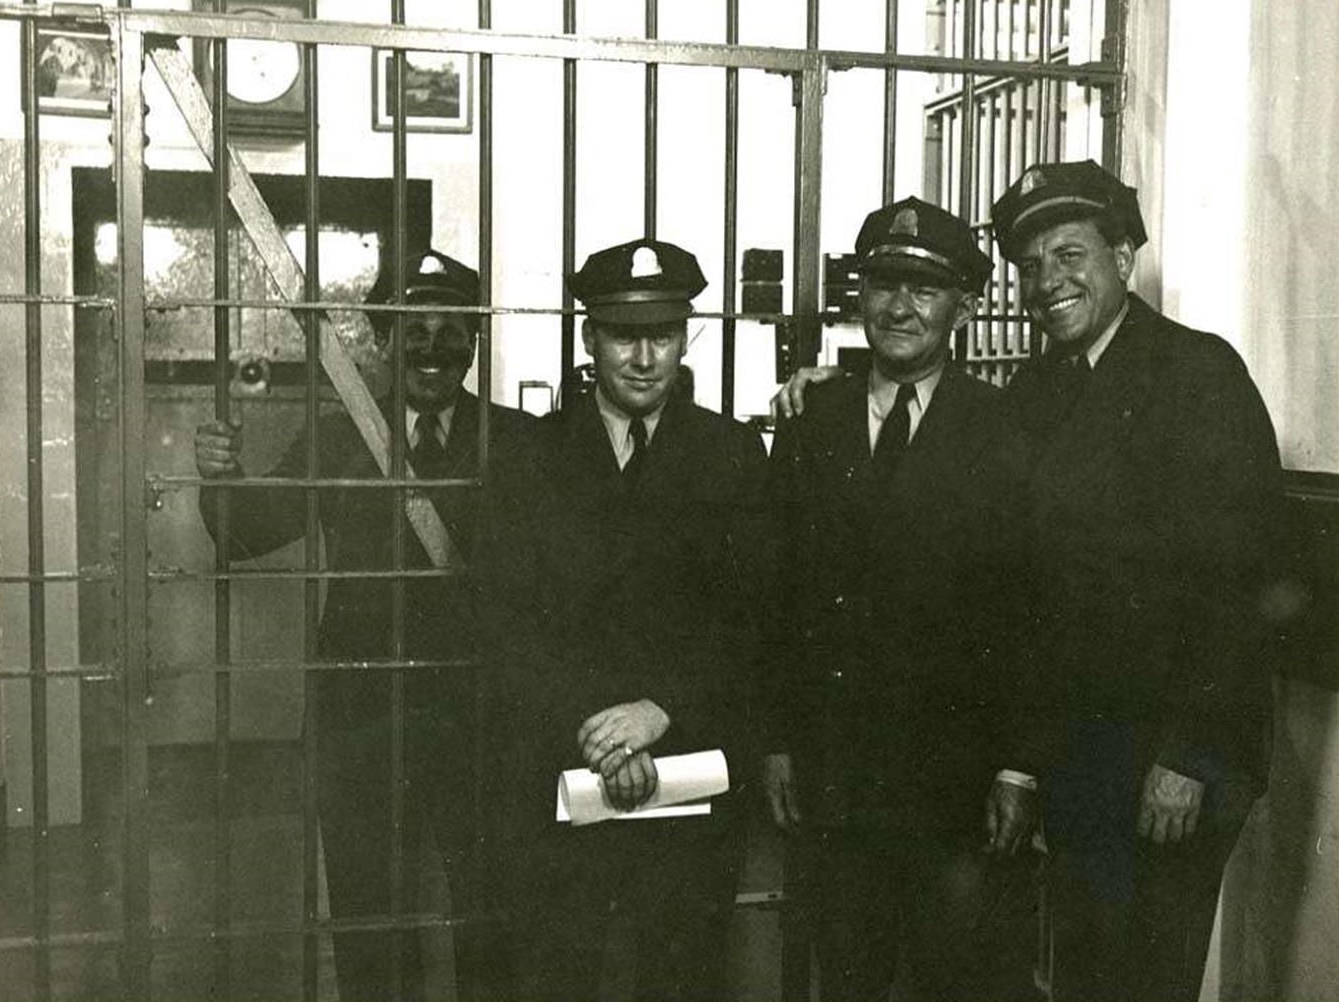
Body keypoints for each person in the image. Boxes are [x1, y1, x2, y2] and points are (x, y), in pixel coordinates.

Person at [774, 162, 1283, 1002]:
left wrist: (1189, 756)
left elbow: (1243, 582)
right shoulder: (1038, 391)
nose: (1049, 282)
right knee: (1085, 976)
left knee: (1146, 978)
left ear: (1124, 258)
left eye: (1070, 256)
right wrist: (832, 382)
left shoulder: (1197, 373)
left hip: (1170, 761)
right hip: (1081, 762)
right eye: (1031, 266)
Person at [194, 249, 533, 1002]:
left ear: (475, 342)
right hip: (360, 717)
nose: (433, 349)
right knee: (371, 919)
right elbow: (249, 530)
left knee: (491, 914)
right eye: (414, 330)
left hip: (481, 718)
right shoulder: (341, 436)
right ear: (382, 338)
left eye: (452, 330)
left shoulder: (518, 442)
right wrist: (220, 477)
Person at [762, 197, 1037, 1001]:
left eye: (926, 289)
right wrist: (777, 741)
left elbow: (1028, 612)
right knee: (847, 977)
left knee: (958, 981)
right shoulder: (811, 420)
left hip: (957, 784)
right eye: (884, 284)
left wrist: (1018, 768)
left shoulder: (1003, 429)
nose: (900, 307)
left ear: (964, 307)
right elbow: (777, 597)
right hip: (836, 778)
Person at [488, 238, 772, 1002]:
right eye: (624, 335)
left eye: (664, 334)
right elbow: (510, 621)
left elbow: (753, 619)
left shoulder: (733, 455)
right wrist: (603, 739)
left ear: (685, 337)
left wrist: (662, 710)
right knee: (562, 978)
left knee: (683, 979)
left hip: (690, 775)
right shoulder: (530, 456)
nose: (645, 358)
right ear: (590, 338)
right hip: (565, 767)